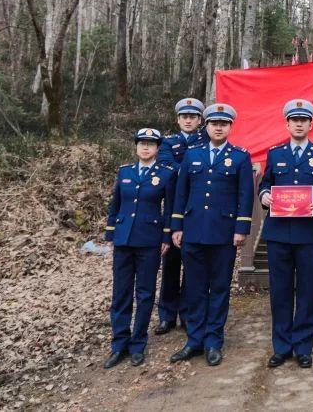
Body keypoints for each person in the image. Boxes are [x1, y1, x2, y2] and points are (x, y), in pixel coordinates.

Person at [169, 104, 254, 366]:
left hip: (224, 234)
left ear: (230, 127)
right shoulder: (192, 155)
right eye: (214, 123)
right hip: (193, 231)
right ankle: (194, 340)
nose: (218, 127)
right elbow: (181, 193)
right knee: (194, 288)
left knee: (218, 288)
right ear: (205, 126)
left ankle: (213, 340)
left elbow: (245, 195)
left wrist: (241, 229)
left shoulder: (240, 157)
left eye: (224, 123)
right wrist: (177, 226)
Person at [258, 99, 313, 368]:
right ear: (288, 123)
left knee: (305, 291)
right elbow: (265, 183)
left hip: (307, 233)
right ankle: (281, 346)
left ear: (311, 124)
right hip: (278, 233)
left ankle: (303, 346)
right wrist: (265, 195)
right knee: (279, 291)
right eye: (295, 120)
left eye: (304, 120)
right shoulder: (276, 153)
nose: (299, 124)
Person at [103, 128, 175, 368]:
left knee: (144, 294)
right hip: (124, 240)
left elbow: (169, 209)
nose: (146, 147)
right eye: (142, 143)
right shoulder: (125, 172)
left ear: (157, 149)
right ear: (136, 147)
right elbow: (116, 205)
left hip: (149, 240)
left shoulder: (166, 174)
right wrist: (111, 232)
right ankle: (118, 344)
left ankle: (137, 344)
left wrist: (166, 237)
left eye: (151, 144)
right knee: (120, 294)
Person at [154, 97, 206, 336]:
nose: (188, 120)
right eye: (184, 116)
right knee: (171, 264)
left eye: (193, 116)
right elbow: (165, 168)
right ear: (178, 119)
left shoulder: (207, 141)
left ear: (199, 120)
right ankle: (166, 315)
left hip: (197, 210)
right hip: (173, 207)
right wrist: (191, 169)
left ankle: (187, 313)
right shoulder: (167, 143)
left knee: (194, 267)